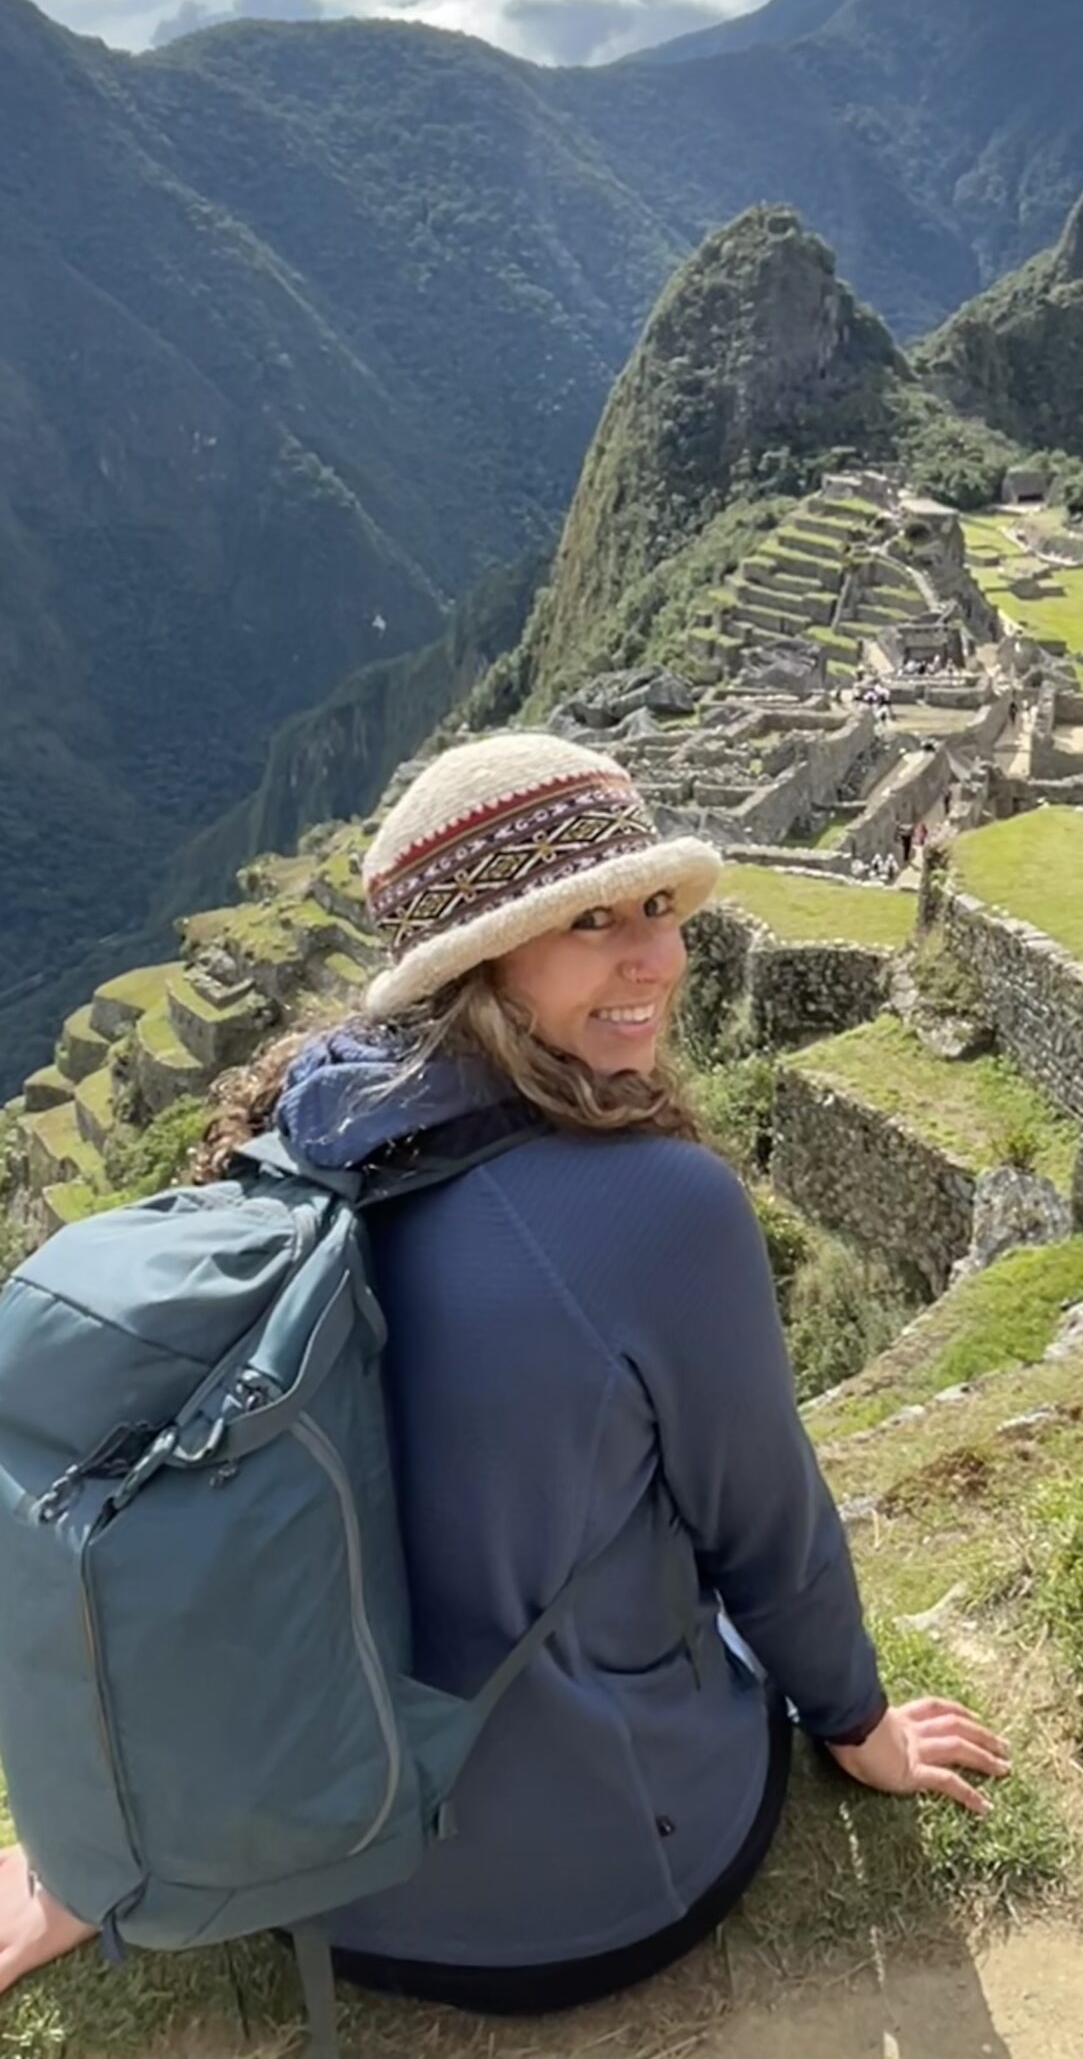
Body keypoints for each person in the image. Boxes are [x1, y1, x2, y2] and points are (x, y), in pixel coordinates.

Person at [0, 734, 1007, 2016]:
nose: (657, 956)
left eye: (658, 906)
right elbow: (768, 1525)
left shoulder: (290, 1142)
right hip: (598, 1882)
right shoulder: (661, 1206)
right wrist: (858, 1723)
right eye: (590, 921)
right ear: (478, 965)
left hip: (309, 1875)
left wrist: (96, 1854)